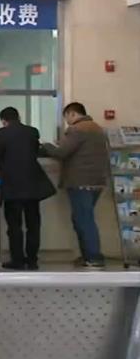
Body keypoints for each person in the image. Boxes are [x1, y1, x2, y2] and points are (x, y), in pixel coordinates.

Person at [43, 102, 110, 269]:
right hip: (97, 180)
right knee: (83, 218)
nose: (67, 122)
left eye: (67, 117)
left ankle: (93, 257)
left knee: (84, 220)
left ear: (72, 114)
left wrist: (46, 145)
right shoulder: (97, 128)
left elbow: (61, 152)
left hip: (80, 181)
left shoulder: (77, 129)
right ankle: (88, 256)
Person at [0, 107, 56, 270]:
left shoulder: (0, 134)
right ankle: (32, 260)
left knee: (14, 226)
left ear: (3, 121)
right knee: (33, 224)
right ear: (18, 117)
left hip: (12, 186)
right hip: (33, 185)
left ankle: (18, 260)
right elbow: (35, 151)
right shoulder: (32, 132)